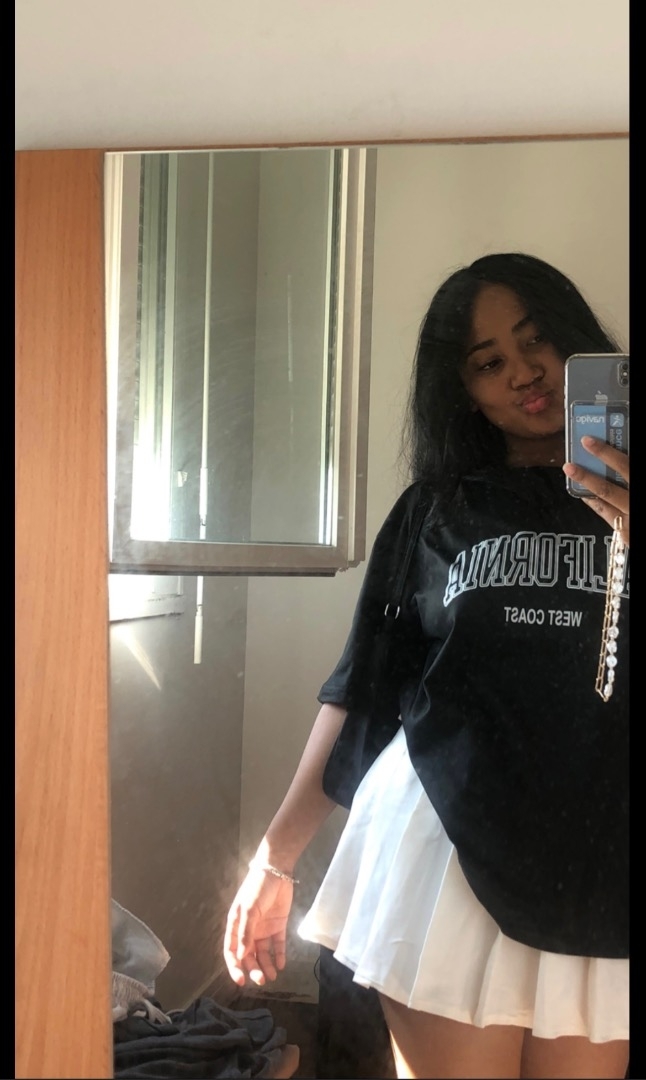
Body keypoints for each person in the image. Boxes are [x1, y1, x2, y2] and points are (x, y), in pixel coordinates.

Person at [223, 253, 629, 1080]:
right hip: (446, 846)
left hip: (603, 855)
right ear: (465, 390)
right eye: (488, 362)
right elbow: (362, 691)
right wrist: (275, 856)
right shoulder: (436, 510)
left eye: (536, 339)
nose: (524, 372)